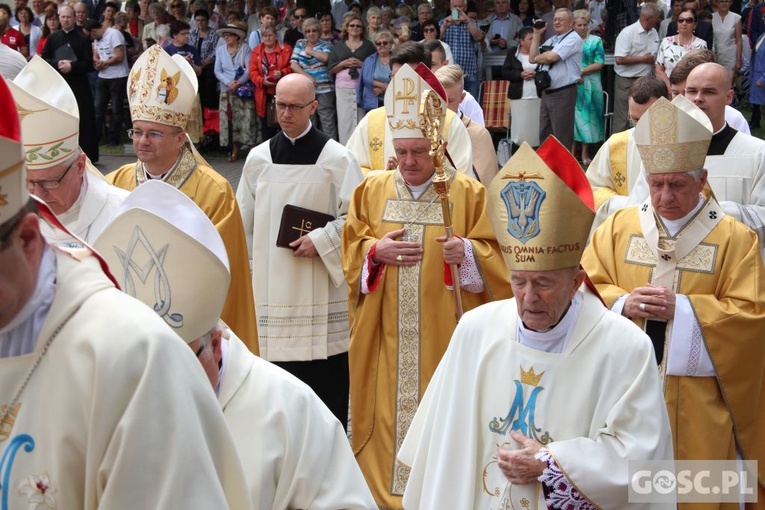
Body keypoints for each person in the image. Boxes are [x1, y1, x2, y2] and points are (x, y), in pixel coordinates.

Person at [0, 74, 251, 510]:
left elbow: (204, 308)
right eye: (138, 132)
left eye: (48, 185)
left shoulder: (134, 351)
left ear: (28, 236)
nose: (42, 198)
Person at [398, 136, 674, 510]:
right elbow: (444, 450)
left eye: (543, 283)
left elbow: (640, 459)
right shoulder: (475, 330)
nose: (528, 298)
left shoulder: (624, 347)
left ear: (577, 281)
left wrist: (552, 464)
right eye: (518, 281)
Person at [95, 179, 378, 510]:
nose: (160, 385)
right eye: (139, 368)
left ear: (215, 344)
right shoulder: (100, 406)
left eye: (180, 363)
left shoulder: (286, 408)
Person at [341, 63, 511, 509]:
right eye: (403, 151)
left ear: (437, 145)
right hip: (385, 341)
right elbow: (351, 248)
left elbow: (503, 264)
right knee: (383, 415)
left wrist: (470, 254)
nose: (411, 162)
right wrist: (373, 254)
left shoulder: (468, 195)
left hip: (444, 339)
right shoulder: (371, 191)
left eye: (420, 151)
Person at [581, 96, 765, 507]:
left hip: (699, 408)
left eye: (677, 184)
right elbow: (585, 289)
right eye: (656, 183)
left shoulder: (735, 238)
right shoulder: (618, 227)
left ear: (701, 180)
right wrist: (622, 303)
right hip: (622, 397)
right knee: (628, 495)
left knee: (696, 496)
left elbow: (752, 317)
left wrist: (682, 311)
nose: (664, 196)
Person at [107, 44, 258, 354]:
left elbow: (222, 275)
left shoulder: (214, 191)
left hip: (192, 331)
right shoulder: (115, 182)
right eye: (136, 132)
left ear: (180, 139)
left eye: (153, 133)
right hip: (127, 327)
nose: (142, 142)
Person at [237, 73, 362, 429]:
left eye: (294, 106)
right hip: (271, 292)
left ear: (313, 106)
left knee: (326, 401)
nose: (285, 113)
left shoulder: (337, 159)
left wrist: (322, 240)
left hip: (319, 289)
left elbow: (358, 219)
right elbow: (241, 224)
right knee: (275, 399)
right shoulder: (259, 159)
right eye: (280, 104)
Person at [10, 56, 127, 247]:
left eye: (48, 182)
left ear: (80, 166)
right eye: (27, 182)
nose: (38, 196)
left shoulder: (122, 216)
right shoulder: (9, 220)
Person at [345, 41, 474, 175]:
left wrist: (413, 179)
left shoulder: (448, 121)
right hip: (382, 196)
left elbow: (462, 177)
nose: (403, 85)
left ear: (426, 78)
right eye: (396, 77)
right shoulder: (372, 121)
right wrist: (386, 178)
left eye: (411, 78)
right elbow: (352, 170)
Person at [586, 75, 669, 230]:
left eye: (649, 119)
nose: (642, 127)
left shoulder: (682, 143)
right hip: (625, 228)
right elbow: (592, 189)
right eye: (635, 120)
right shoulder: (617, 144)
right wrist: (625, 204)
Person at [41, 4, 98, 164]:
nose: (66, 20)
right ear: (59, 18)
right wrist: (58, 63)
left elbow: (88, 64)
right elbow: (44, 59)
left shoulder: (83, 38)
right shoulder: (52, 38)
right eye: (63, 17)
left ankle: (87, 156)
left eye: (69, 17)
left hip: (79, 86)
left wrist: (72, 66)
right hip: (58, 86)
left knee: (83, 120)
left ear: (74, 18)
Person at [529, 7, 582, 151]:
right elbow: (532, 58)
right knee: (545, 135)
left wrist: (541, 58)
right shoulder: (553, 39)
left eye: (561, 19)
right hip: (547, 92)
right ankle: (547, 170)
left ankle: (561, 172)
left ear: (570, 22)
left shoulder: (573, 38)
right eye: (555, 19)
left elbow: (551, 57)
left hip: (563, 93)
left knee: (561, 137)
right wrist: (536, 35)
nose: (557, 22)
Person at [436, 64, 498, 184]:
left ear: (462, 98)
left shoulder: (477, 134)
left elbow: (486, 183)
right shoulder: (423, 130)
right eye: (439, 100)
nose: (444, 107)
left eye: (450, 101)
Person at [667, 48, 750, 133]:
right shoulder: (665, 121)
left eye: (688, 92)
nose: (681, 101)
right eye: (675, 93)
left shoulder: (733, 119)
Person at [613, 2, 661, 133]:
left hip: (644, 80)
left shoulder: (654, 32)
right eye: (657, 18)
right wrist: (643, 59)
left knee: (643, 114)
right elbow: (619, 59)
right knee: (622, 116)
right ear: (648, 19)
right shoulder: (628, 33)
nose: (658, 21)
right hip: (626, 80)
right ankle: (618, 147)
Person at [327, 13, 375, 144]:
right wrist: (343, 64)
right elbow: (331, 69)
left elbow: (374, 67)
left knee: (362, 119)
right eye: (352, 25)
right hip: (343, 89)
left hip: (362, 89)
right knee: (345, 120)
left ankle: (361, 150)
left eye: (358, 26)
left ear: (362, 29)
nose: (355, 28)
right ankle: (346, 148)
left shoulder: (369, 46)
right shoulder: (338, 46)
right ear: (346, 28)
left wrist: (361, 64)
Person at [214, 21, 255, 161]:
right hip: (226, 91)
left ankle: (251, 150)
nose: (227, 38)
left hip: (242, 90)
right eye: (225, 35)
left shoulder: (245, 48)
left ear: (237, 37)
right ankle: (233, 149)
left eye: (230, 35)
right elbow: (217, 71)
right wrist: (228, 83)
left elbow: (250, 68)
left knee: (247, 119)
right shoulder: (220, 50)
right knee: (230, 121)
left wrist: (238, 82)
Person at [290, 16, 335, 139]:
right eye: (308, 31)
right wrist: (307, 78)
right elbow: (293, 64)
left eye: (314, 31)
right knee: (308, 120)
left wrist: (311, 52)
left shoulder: (326, 43)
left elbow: (326, 58)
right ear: (304, 33)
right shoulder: (300, 43)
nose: (311, 33)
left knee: (327, 120)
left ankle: (331, 151)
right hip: (306, 88)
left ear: (319, 32)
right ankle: (311, 149)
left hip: (325, 88)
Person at [89, 19, 130, 147]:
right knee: (98, 108)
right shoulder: (97, 39)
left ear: (94, 31)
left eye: (91, 35)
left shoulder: (114, 34)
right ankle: (96, 137)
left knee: (117, 109)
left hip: (118, 76)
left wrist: (105, 63)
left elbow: (119, 56)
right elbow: (95, 54)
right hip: (103, 76)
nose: (91, 38)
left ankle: (113, 138)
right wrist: (97, 62)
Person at [250, 24, 293, 142]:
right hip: (264, 93)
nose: (267, 38)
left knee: (284, 122)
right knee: (266, 125)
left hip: (283, 91)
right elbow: (252, 71)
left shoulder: (286, 49)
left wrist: (283, 72)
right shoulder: (256, 51)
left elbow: (292, 67)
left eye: (270, 35)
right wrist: (262, 81)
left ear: (275, 36)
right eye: (264, 36)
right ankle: (269, 153)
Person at [573, 9, 603, 166]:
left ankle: (585, 152)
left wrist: (581, 72)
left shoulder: (595, 41)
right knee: (573, 119)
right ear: (573, 25)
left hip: (590, 83)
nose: (582, 28)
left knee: (588, 118)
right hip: (572, 83)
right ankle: (571, 153)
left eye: (585, 24)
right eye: (579, 25)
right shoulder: (569, 40)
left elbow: (600, 63)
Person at [502, 26, 541, 147]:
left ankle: (537, 152)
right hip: (519, 96)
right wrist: (520, 74)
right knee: (520, 127)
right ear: (521, 41)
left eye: (535, 38)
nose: (533, 41)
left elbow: (548, 71)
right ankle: (519, 152)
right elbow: (505, 71)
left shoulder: (541, 52)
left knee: (536, 126)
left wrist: (536, 74)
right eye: (530, 39)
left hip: (537, 95)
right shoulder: (513, 52)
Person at [439, 0, 484, 98]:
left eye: (460, 6)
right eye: (455, 6)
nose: (457, 9)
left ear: (465, 8)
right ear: (450, 8)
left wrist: (467, 20)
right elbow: (436, 42)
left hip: (469, 72)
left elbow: (479, 38)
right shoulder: (443, 22)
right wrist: (444, 26)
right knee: (451, 103)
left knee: (472, 103)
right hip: (450, 73)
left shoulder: (472, 23)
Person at [655, 8, 707, 90]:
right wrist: (670, 88)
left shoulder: (701, 44)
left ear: (695, 24)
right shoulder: (666, 42)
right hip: (669, 90)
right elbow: (658, 69)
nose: (684, 23)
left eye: (689, 20)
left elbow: (703, 71)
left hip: (691, 90)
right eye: (681, 20)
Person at [357, 29, 393, 112]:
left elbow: (400, 80)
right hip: (373, 102)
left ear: (391, 44)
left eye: (385, 43)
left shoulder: (397, 59)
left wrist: (383, 89)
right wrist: (383, 85)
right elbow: (365, 79)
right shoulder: (369, 60)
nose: (382, 45)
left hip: (392, 102)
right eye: (378, 43)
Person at [712, 0, 742, 82]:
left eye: (727, 1)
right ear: (716, 2)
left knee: (729, 82)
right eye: (721, 1)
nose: (724, 4)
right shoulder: (711, 17)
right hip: (715, 54)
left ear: (731, 2)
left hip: (730, 54)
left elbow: (739, 40)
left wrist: (738, 61)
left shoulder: (736, 18)